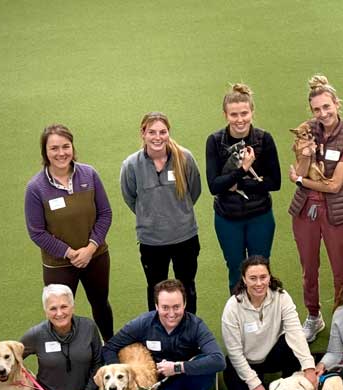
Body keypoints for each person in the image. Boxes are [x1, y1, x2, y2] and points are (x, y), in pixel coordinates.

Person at [288, 75, 343, 343]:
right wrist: (305, 157)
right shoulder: (306, 129)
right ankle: (313, 316)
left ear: (336, 104)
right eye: (317, 109)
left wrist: (299, 180)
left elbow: (334, 185)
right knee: (309, 267)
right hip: (305, 211)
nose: (323, 114)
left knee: (342, 269)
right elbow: (300, 167)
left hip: (337, 212)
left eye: (327, 107)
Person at [102, 279, 225, 390]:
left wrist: (177, 368)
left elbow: (218, 360)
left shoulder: (196, 325)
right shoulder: (143, 323)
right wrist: (121, 374)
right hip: (160, 384)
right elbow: (109, 347)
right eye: (165, 307)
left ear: (185, 304)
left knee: (206, 364)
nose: (172, 314)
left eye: (176, 307)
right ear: (156, 306)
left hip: (189, 375)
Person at [24, 124, 114, 341]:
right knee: (59, 313)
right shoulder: (36, 188)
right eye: (54, 148)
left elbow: (105, 213)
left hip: (96, 256)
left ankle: (109, 348)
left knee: (100, 304)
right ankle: (63, 359)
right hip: (59, 265)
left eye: (66, 146)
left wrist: (90, 248)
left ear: (73, 148)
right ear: (45, 152)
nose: (61, 153)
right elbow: (37, 232)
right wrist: (71, 253)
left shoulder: (89, 174)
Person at [121, 112, 203, 313]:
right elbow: (131, 197)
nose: (158, 137)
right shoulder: (131, 165)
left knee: (187, 288)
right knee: (155, 291)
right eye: (152, 132)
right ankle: (157, 337)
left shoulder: (185, 158)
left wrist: (177, 213)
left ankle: (188, 335)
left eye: (162, 132)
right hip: (151, 242)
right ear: (143, 133)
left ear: (169, 133)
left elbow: (194, 190)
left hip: (185, 237)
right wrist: (150, 216)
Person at [206, 84, 281, 293]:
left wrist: (236, 183)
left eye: (244, 113)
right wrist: (243, 170)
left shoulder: (264, 139)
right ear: (225, 115)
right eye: (234, 114)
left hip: (260, 217)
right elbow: (214, 186)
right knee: (235, 270)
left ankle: (265, 318)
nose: (240, 119)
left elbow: (275, 182)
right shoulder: (214, 141)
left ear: (252, 112)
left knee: (260, 270)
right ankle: (238, 319)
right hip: (227, 218)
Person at [221, 256, 317, 390]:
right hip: (245, 362)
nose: (259, 283)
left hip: (272, 355)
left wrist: (309, 368)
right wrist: (255, 384)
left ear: (269, 277)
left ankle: (287, 387)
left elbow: (295, 332)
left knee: (290, 341)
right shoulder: (232, 307)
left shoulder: (282, 297)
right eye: (253, 278)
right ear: (244, 280)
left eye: (263, 277)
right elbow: (235, 353)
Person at [19, 284, 103, 390]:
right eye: (53, 308)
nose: (59, 313)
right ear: (45, 311)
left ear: (72, 306)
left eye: (64, 306)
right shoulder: (36, 334)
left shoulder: (89, 327)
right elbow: (11, 357)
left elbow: (98, 363)